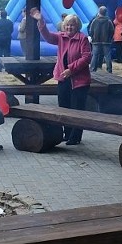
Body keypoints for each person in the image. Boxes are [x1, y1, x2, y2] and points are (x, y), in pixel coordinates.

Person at [31, 9, 91, 145]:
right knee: (64, 107)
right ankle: (67, 133)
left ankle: (75, 137)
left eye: (72, 25)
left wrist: (71, 69)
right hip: (64, 78)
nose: (69, 27)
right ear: (64, 26)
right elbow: (47, 36)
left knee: (77, 110)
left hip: (79, 81)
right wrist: (41, 21)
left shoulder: (82, 39)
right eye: (67, 25)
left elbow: (87, 57)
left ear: (77, 27)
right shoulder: (61, 37)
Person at [89, 6, 114, 73]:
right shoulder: (109, 21)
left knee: (95, 55)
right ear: (106, 12)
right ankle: (109, 70)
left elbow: (91, 31)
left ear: (99, 12)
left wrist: (92, 37)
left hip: (96, 41)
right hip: (106, 41)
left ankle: (92, 69)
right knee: (107, 56)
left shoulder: (95, 21)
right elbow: (112, 31)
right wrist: (109, 38)